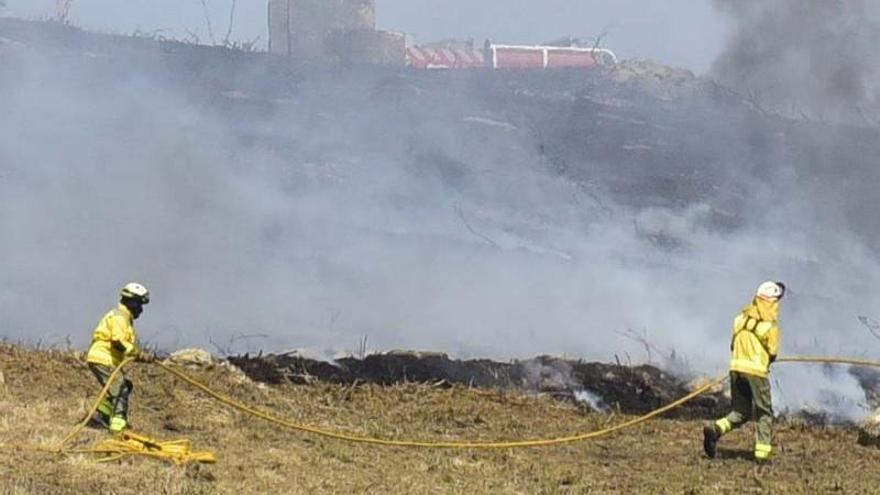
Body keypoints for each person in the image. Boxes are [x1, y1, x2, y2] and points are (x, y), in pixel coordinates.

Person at [703, 281, 785, 463]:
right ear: (772, 302)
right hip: (756, 374)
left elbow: (733, 344)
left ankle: (715, 429)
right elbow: (772, 352)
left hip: (736, 370)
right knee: (764, 413)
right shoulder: (770, 327)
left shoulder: (740, 320)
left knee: (740, 411)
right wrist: (765, 360)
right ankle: (762, 455)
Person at [85, 282, 154, 433]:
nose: (141, 310)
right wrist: (137, 353)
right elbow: (118, 341)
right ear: (132, 302)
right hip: (103, 357)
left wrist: (140, 355)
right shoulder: (120, 317)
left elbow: (125, 345)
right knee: (120, 389)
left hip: (106, 358)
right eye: (139, 305)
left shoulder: (125, 318)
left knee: (124, 386)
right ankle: (118, 428)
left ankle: (102, 416)